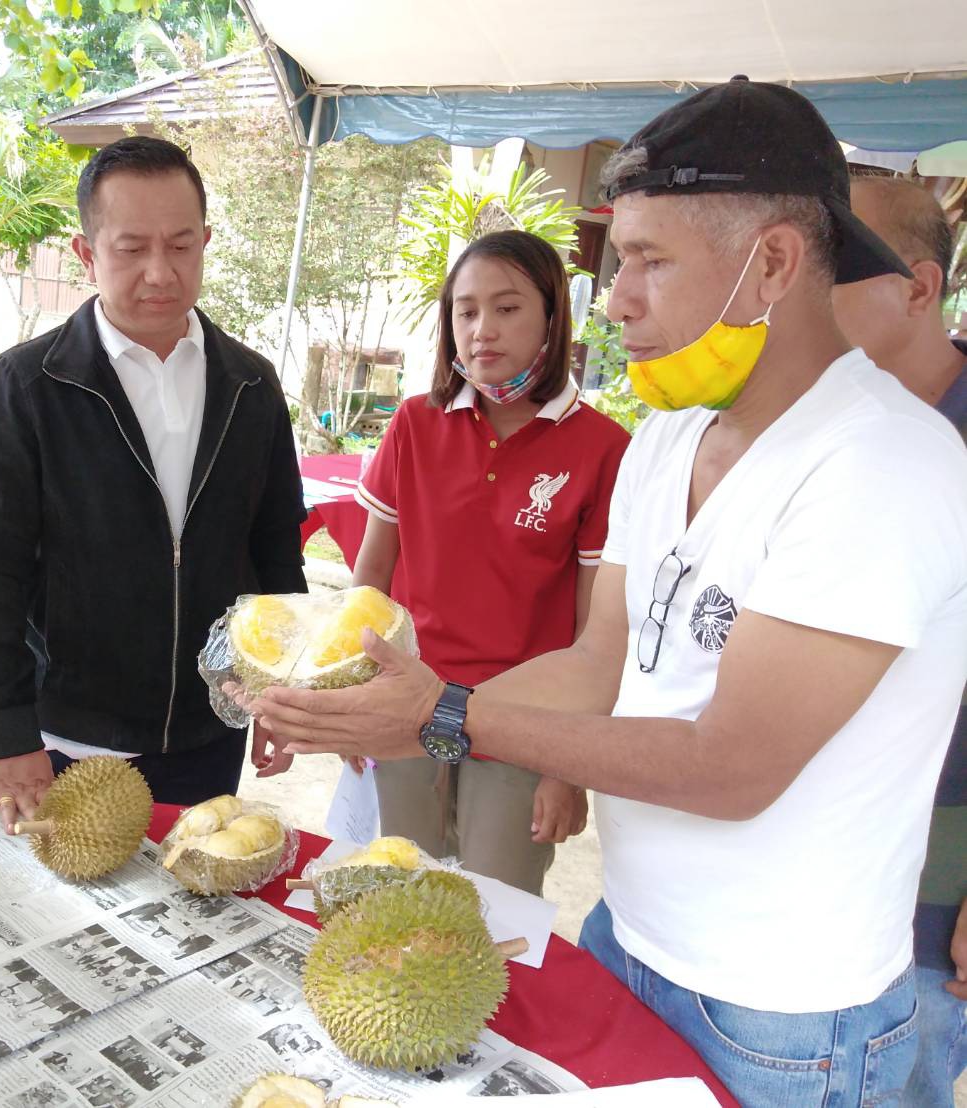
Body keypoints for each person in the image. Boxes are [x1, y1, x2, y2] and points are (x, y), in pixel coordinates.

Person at [248, 78, 967, 1106]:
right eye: (615, 260)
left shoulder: (882, 464)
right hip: (627, 932)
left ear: (771, 262)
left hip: (784, 1014)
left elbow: (733, 765)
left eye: (648, 261)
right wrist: (398, 702)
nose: (614, 297)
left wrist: (449, 713)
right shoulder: (671, 434)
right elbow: (601, 662)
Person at [0, 136, 306, 830]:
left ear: (205, 241)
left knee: (193, 908)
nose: (159, 272)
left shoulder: (249, 384)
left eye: (181, 245)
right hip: (68, 740)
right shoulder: (27, 386)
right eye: (131, 248)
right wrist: (3, 727)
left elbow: (274, 552)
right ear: (86, 254)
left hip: (209, 734)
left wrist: (277, 690)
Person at [351, 230, 628, 893]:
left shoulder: (601, 448)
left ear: (551, 319)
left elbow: (597, 634)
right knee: (401, 897)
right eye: (465, 310)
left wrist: (568, 767)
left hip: (524, 726)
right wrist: (352, 702)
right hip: (406, 709)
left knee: (496, 912)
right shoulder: (415, 424)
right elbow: (367, 584)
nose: (482, 330)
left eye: (506, 308)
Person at [832, 174, 967, 1108]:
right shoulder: (813, 426)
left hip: (939, 876)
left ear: (920, 289)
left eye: (834, 259)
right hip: (811, 862)